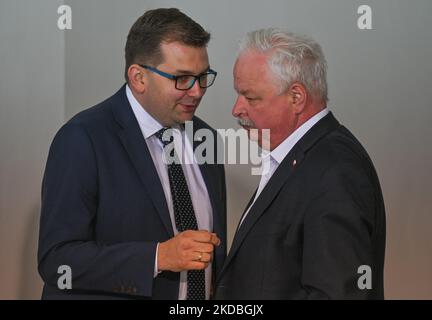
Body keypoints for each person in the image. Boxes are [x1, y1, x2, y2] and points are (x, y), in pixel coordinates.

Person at [38, 8, 226, 300]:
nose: (197, 91)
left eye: (203, 77)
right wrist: (158, 257)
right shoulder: (82, 138)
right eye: (183, 78)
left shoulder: (207, 138)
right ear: (138, 78)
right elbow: (57, 260)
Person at [214, 28, 385, 299]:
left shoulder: (335, 171)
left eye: (251, 97)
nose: (237, 109)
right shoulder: (301, 158)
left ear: (296, 97)